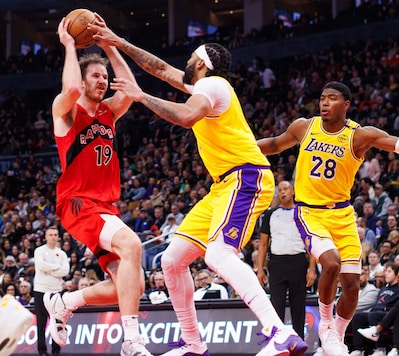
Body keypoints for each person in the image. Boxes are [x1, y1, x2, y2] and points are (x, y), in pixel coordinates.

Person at [91, 22, 308, 356]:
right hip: (224, 185)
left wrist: (140, 95)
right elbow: (160, 68)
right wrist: (118, 42)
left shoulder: (214, 85)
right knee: (172, 260)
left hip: (245, 178)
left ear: (202, 64)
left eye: (191, 58)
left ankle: (278, 331)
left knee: (219, 254)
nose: (186, 62)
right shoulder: (202, 85)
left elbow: (188, 117)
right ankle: (194, 343)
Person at [257, 81, 399, 355]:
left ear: (345, 105)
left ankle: (337, 335)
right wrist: (239, 148)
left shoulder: (359, 135)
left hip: (343, 214)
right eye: (322, 98)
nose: (324, 103)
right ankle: (325, 324)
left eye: (332, 99)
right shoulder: (304, 126)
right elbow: (274, 144)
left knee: (351, 285)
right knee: (331, 264)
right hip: (309, 212)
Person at [44, 14, 153, 356]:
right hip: (78, 202)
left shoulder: (107, 113)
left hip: (105, 207)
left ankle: (65, 301)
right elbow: (72, 88)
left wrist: (110, 43)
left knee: (134, 283)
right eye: (96, 75)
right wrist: (70, 46)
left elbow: (131, 90)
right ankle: (132, 340)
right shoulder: (66, 112)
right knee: (133, 245)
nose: (103, 81)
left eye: (105, 77)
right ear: (84, 78)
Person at [256, 181, 317, 338]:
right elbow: (263, 245)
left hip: (298, 262)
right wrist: (260, 269)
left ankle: (299, 343)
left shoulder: (303, 213)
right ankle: (277, 341)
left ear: (293, 191)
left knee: (298, 306)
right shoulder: (270, 214)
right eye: (280, 190)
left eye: (286, 189)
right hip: (277, 263)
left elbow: (310, 243)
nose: (283, 192)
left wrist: (312, 268)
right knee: (277, 306)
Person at [348, 262, 399, 356]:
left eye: (389, 271)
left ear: (397, 274)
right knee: (358, 317)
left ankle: (380, 349)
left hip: (389, 315)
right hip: (376, 312)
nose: (385, 273)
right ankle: (358, 349)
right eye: (385, 271)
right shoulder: (383, 289)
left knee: (373, 315)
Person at [34, 227, 69, 356]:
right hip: (41, 290)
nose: (53, 237)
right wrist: (57, 268)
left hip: (57, 291)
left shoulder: (62, 253)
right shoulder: (39, 251)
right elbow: (41, 265)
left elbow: (65, 271)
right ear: (46, 237)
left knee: (57, 323)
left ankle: (56, 351)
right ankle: (42, 351)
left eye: (55, 234)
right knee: (41, 323)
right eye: (51, 235)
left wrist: (49, 270)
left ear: (58, 237)